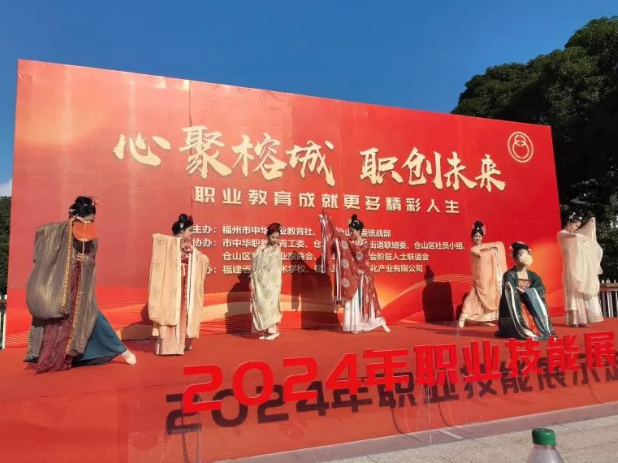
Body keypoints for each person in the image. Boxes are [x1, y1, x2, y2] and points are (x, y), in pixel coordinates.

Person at [24, 196, 136, 373]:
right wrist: (68, 224)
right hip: (61, 284)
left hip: (81, 285)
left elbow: (91, 259)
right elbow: (42, 234)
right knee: (59, 320)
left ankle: (120, 349)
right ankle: (61, 356)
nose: (89, 225)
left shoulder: (91, 237)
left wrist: (87, 261)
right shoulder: (61, 230)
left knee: (91, 314)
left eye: (92, 222)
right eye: (87, 221)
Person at [148, 214, 210, 355]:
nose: (193, 233)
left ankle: (182, 343)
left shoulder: (189, 247)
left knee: (184, 313)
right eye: (190, 230)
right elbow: (156, 237)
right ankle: (168, 347)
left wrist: (194, 253)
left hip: (185, 287)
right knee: (170, 312)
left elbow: (204, 260)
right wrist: (177, 246)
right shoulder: (169, 245)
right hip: (172, 286)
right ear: (181, 231)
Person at [319, 211, 390, 334]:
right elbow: (341, 243)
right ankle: (355, 325)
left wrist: (345, 242)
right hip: (352, 275)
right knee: (353, 299)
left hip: (364, 276)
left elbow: (358, 254)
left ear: (359, 231)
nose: (350, 233)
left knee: (366, 300)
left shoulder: (365, 243)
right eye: (350, 231)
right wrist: (331, 228)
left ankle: (377, 323)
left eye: (352, 231)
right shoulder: (349, 242)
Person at [496, 242, 555, 340]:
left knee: (538, 315)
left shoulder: (534, 275)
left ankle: (541, 330)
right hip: (516, 304)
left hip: (531, 302)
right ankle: (524, 330)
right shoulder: (509, 274)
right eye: (521, 254)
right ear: (515, 258)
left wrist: (527, 292)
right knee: (523, 316)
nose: (525, 257)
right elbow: (510, 290)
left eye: (527, 254)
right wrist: (520, 293)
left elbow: (540, 288)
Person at [557, 213, 604, 327]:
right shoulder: (562, 234)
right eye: (575, 225)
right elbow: (575, 236)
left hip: (577, 265)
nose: (576, 228)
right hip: (569, 266)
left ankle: (583, 320)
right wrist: (582, 235)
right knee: (572, 291)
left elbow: (581, 233)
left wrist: (590, 224)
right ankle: (574, 320)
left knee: (580, 290)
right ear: (569, 223)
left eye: (578, 226)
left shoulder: (574, 234)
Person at [458, 221, 507, 328]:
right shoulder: (473, 249)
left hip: (489, 278)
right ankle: (463, 316)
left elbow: (498, 244)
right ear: (472, 237)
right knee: (473, 297)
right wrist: (491, 250)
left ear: (482, 237)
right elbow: (481, 255)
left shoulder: (485, 246)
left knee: (489, 297)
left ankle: (484, 319)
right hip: (480, 278)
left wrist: (493, 249)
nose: (477, 238)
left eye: (479, 236)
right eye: (475, 236)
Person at [250, 223, 283, 341]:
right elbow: (255, 261)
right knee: (262, 305)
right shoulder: (261, 248)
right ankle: (267, 331)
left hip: (272, 284)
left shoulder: (277, 250)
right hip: (261, 283)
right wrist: (254, 257)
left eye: (277, 237)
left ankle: (274, 331)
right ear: (267, 236)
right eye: (273, 237)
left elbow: (273, 267)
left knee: (271, 306)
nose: (275, 240)